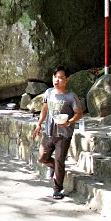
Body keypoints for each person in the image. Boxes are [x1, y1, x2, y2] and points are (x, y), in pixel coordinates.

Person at [31, 67, 82, 200]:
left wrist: (69, 122)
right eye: (55, 77)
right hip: (49, 132)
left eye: (60, 78)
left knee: (60, 160)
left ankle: (57, 189)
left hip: (64, 135)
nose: (56, 80)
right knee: (42, 158)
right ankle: (57, 169)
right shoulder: (49, 92)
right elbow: (45, 108)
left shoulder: (71, 96)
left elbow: (79, 113)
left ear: (67, 79)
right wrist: (39, 124)